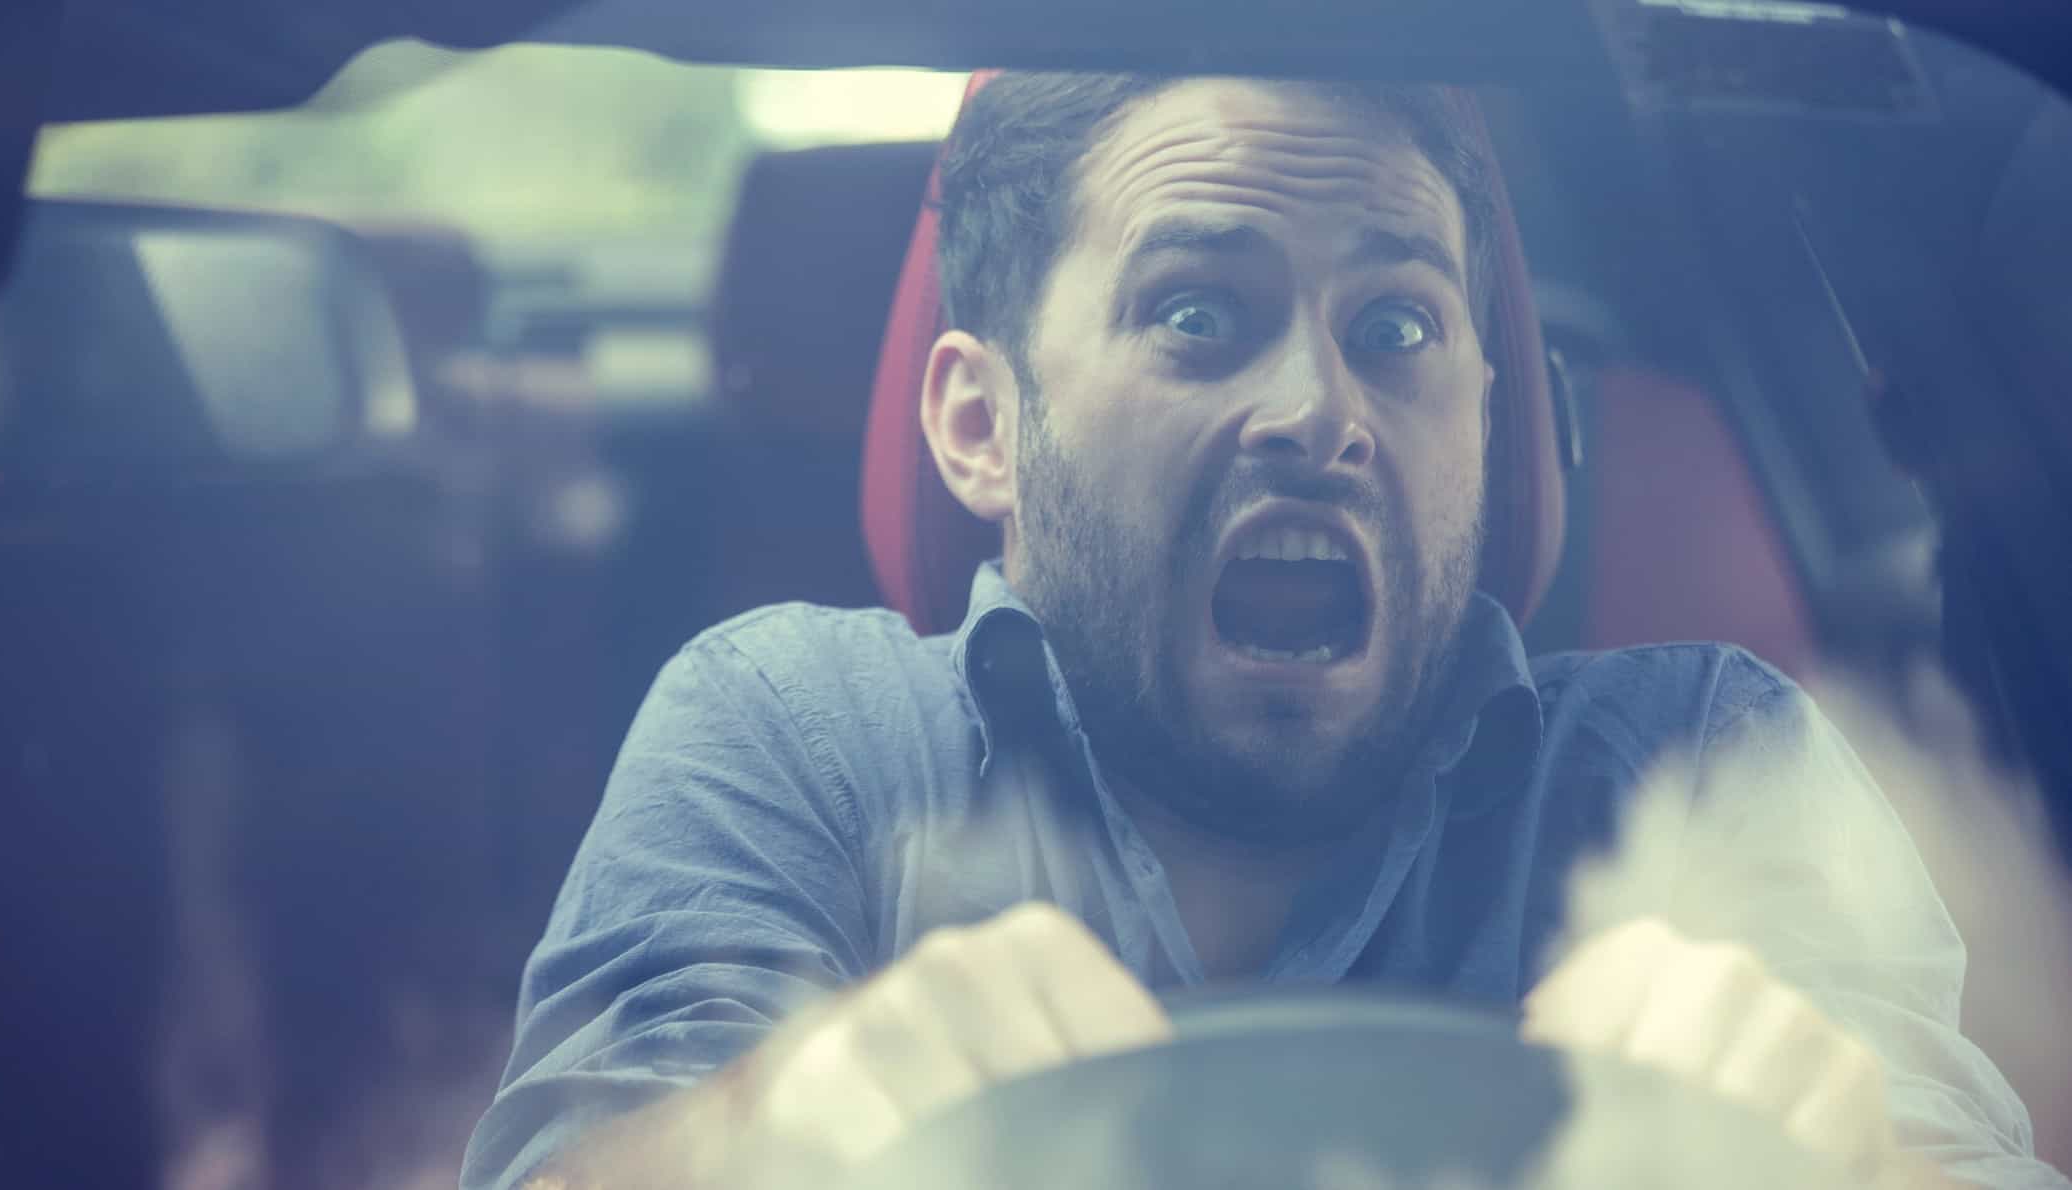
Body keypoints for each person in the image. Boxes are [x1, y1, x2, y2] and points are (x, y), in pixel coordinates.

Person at [462, 73, 2063, 1190]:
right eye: (1197, 313)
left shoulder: (1701, 755)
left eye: (1397, 328)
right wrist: (773, 1127)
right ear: (979, 422)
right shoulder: (793, 726)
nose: (1318, 410)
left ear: (1487, 429)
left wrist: (1837, 1152)